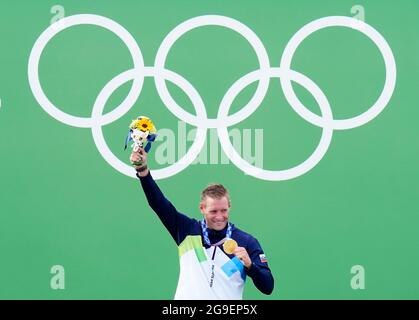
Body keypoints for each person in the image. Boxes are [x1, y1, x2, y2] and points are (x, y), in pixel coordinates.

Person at [131, 147, 274, 300]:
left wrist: (250, 265)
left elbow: (268, 287)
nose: (219, 216)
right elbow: (158, 203)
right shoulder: (186, 229)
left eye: (224, 210)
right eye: (213, 211)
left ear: (229, 207)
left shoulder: (246, 242)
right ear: (202, 208)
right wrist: (143, 171)